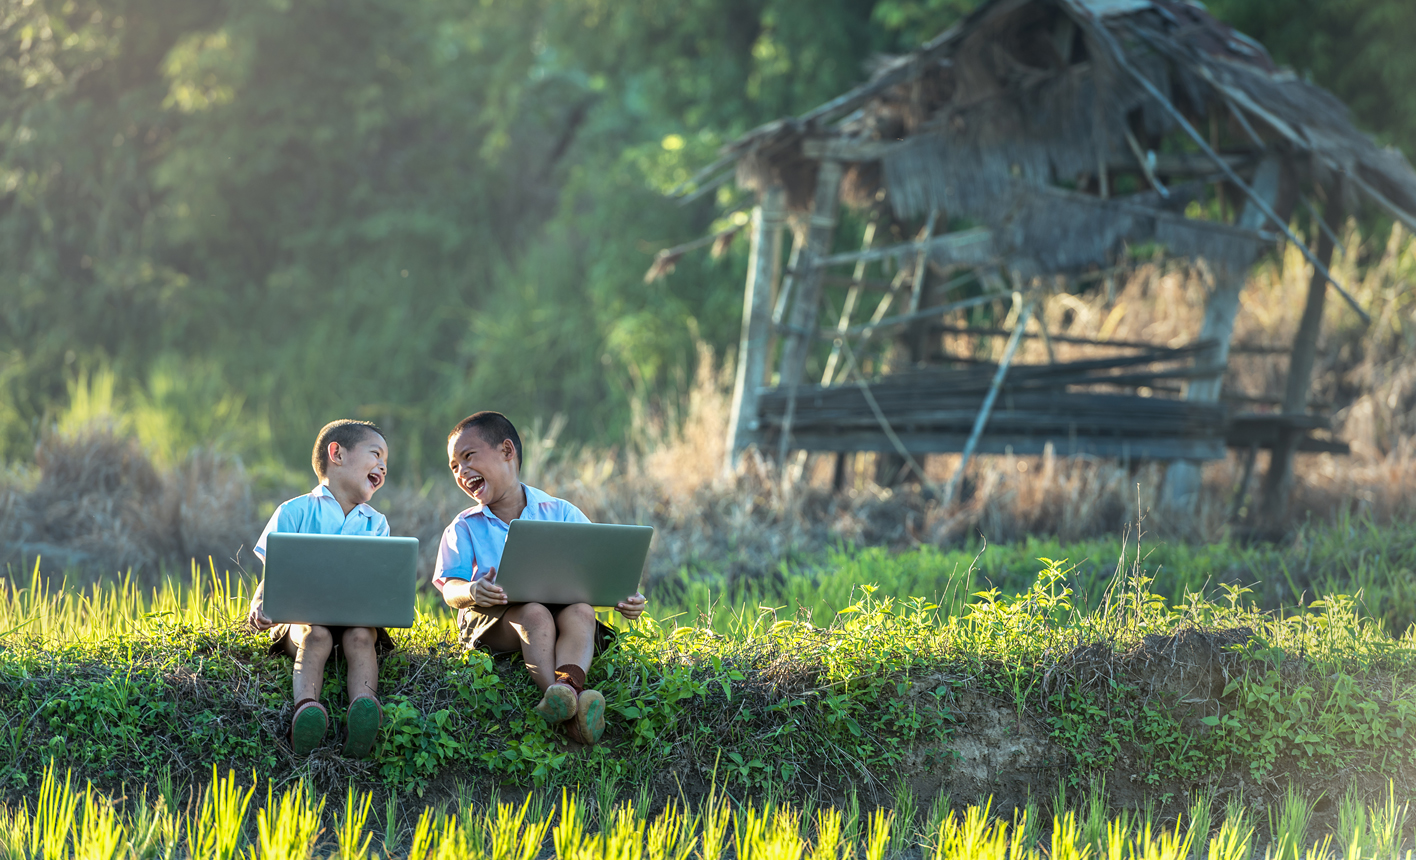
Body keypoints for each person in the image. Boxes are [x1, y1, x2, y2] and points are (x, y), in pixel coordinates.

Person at [433, 411, 647, 745]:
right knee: (534, 613)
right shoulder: (464, 526)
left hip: (558, 612)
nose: (461, 472)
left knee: (582, 612)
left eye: (468, 457)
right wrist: (474, 590)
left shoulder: (560, 512)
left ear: (507, 451)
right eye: (454, 466)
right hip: (495, 621)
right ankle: (561, 694)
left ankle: (565, 694)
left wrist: (624, 597)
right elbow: (450, 588)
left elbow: (598, 568)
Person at [247, 419, 393, 758]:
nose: (383, 466)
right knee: (317, 635)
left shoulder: (376, 523)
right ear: (337, 454)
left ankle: (364, 710)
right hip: (304, 619)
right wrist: (260, 602)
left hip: (355, 618)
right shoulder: (295, 511)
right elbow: (275, 572)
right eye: (376, 454)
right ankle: (307, 711)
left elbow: (377, 581)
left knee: (360, 636)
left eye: (386, 461)